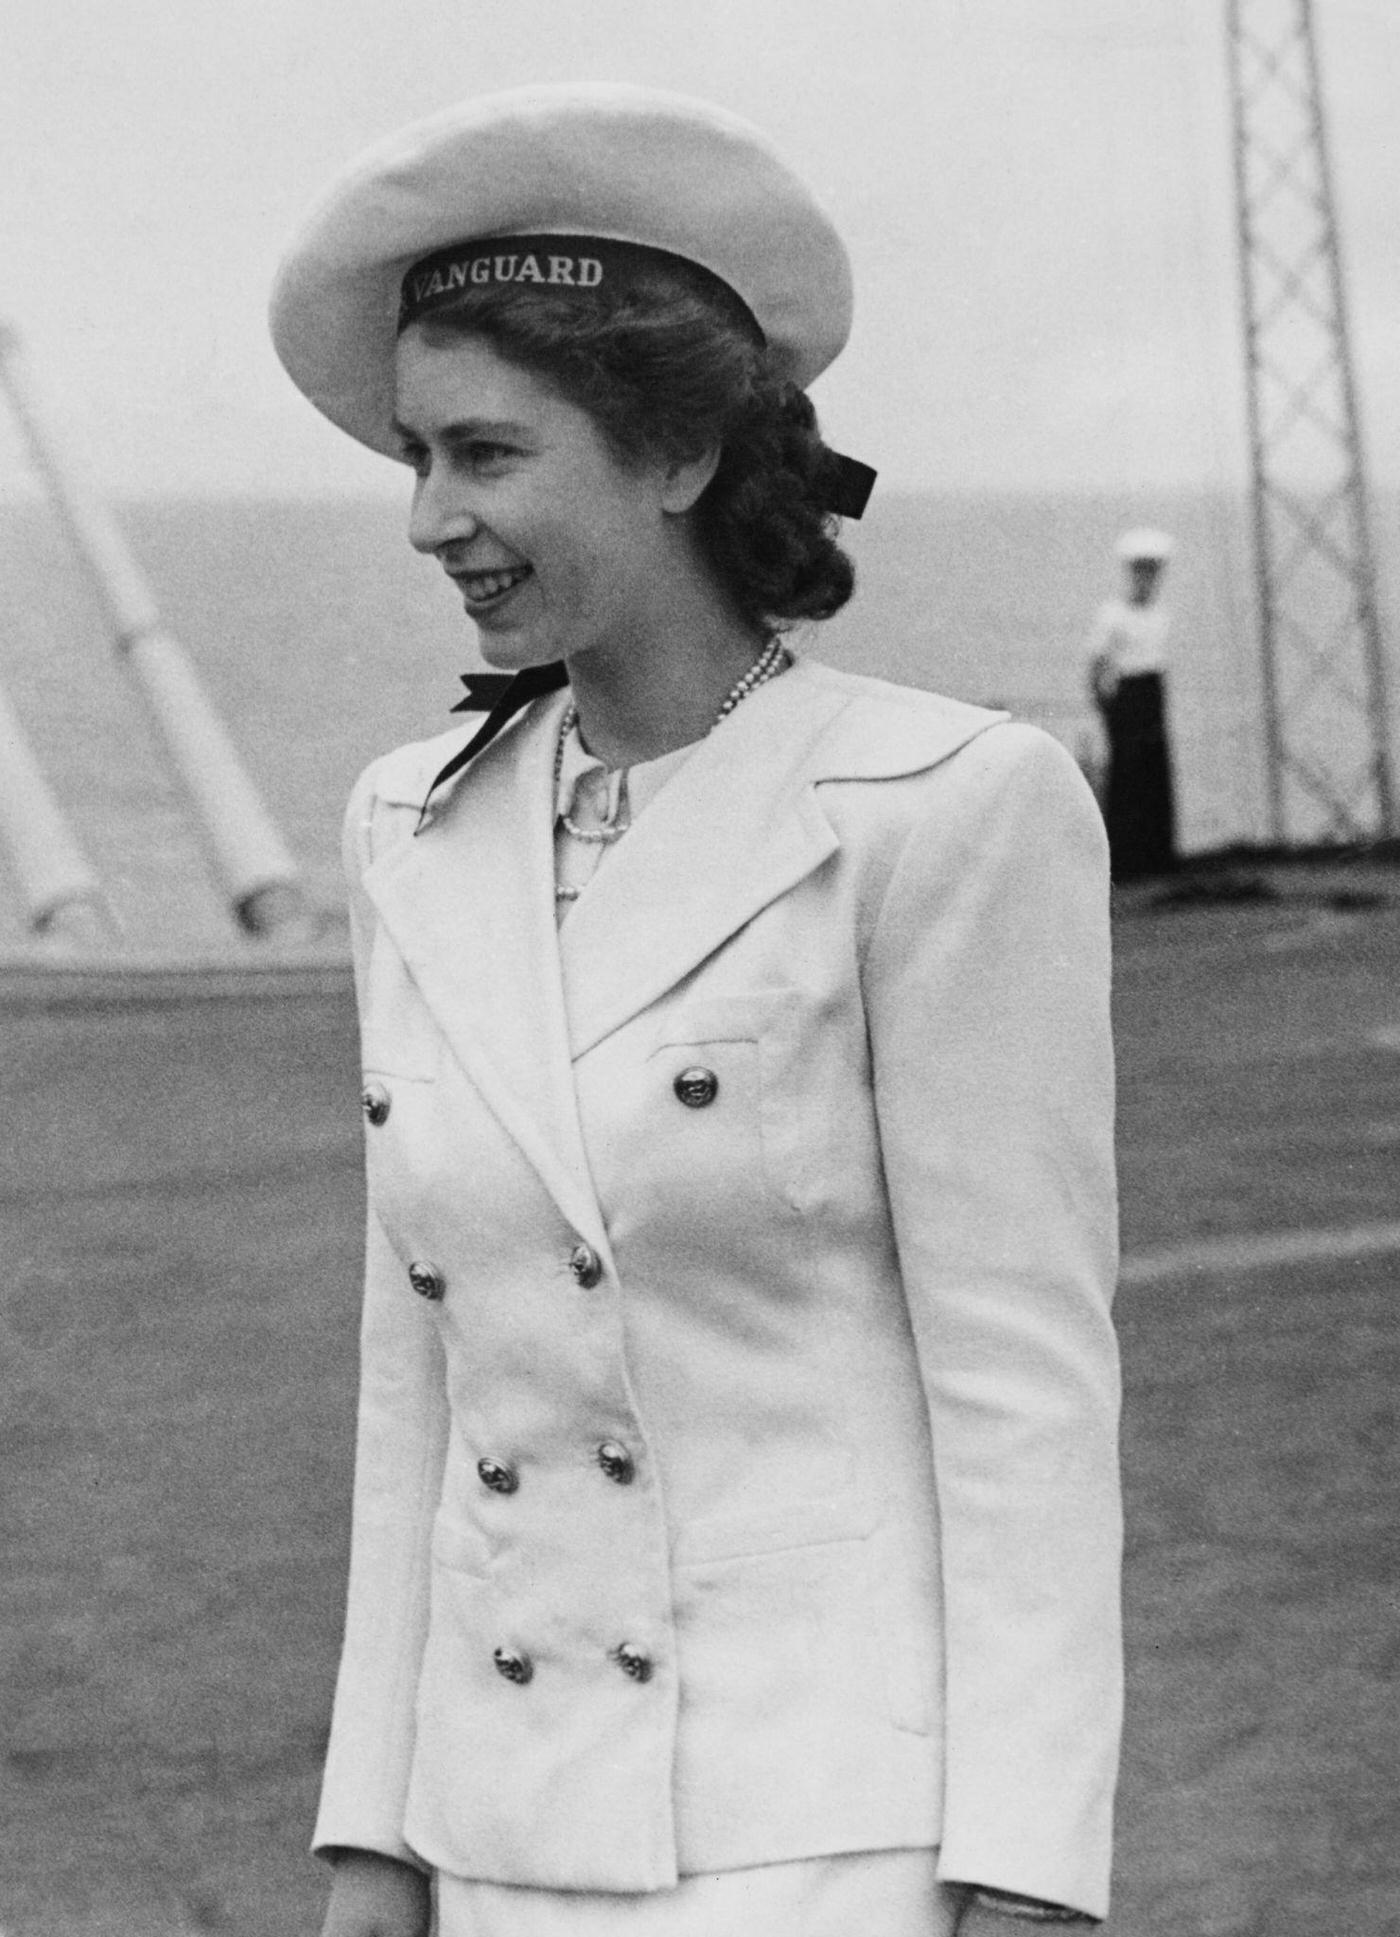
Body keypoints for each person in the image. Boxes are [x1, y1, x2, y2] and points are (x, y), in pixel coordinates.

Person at [270, 83, 1122, 1937]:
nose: (430, 518)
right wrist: (373, 1839)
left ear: (671, 454)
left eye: (487, 454)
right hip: (497, 1831)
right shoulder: (411, 825)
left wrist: (1027, 1875)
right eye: (415, 457)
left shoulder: (939, 808)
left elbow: (1024, 1392)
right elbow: (421, 1383)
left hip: (830, 1834)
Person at [1084, 529, 1179, 881]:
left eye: (1153, 572)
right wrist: (1104, 705)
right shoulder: (1112, 614)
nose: (1147, 579)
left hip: (1153, 691)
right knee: (1127, 774)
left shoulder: (1161, 614)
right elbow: (1097, 663)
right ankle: (1125, 860)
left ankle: (1157, 857)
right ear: (1131, 573)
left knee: (1155, 772)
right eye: (1141, 571)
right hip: (1127, 694)